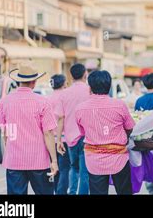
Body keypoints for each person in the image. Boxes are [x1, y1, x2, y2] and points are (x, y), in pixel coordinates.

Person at [0, 63, 58, 195]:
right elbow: (48, 133)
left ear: (18, 81)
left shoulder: (5, 102)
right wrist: (54, 160)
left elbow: (5, 132)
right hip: (39, 161)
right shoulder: (42, 102)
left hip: (14, 161)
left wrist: (10, 150)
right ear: (34, 82)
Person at [75, 70, 135, 195]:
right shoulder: (119, 105)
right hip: (119, 158)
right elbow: (130, 127)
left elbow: (82, 132)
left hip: (94, 160)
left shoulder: (80, 108)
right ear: (109, 86)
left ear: (90, 87)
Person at [56, 63, 90, 195]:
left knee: (74, 169)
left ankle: (72, 192)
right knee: (85, 172)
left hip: (70, 138)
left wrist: (59, 140)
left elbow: (61, 119)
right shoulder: (90, 90)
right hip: (87, 137)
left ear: (71, 76)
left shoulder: (64, 94)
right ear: (85, 74)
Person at [47, 74, 70, 195]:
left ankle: (56, 191)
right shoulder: (66, 97)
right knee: (65, 168)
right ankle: (61, 192)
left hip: (50, 139)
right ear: (63, 83)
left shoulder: (47, 99)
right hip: (64, 139)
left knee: (54, 168)